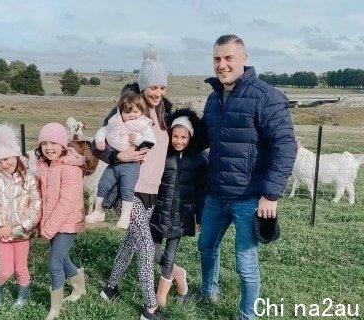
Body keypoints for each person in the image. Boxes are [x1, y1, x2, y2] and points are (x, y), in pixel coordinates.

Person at [197, 34, 297, 320]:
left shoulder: (267, 97)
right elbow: (201, 137)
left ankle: (247, 315)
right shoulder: (214, 98)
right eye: (217, 59)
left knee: (245, 262)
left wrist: (271, 195)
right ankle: (208, 291)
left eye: (229, 58)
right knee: (206, 246)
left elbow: (285, 146)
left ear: (244, 59)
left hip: (249, 197)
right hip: (216, 194)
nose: (222, 65)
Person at [94, 49, 171, 320]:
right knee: (147, 246)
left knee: (132, 242)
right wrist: (118, 155)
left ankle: (111, 288)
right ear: (142, 85)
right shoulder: (127, 108)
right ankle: (150, 308)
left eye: (162, 86)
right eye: (152, 86)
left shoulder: (164, 113)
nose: (157, 92)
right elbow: (98, 145)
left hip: (152, 190)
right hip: (129, 190)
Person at [150, 107, 208, 307]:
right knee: (154, 253)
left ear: (191, 137)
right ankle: (179, 273)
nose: (179, 141)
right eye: (175, 136)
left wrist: (199, 217)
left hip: (181, 215)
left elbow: (202, 192)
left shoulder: (200, 161)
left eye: (184, 137)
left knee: (169, 256)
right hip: (158, 212)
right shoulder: (163, 156)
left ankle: (161, 297)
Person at [0, 123, 42, 310]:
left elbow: (36, 203)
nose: (3, 165)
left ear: (15, 155)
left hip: (22, 232)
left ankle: (23, 296)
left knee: (21, 269)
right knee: (6, 270)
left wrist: (23, 226)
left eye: (6, 159)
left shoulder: (29, 177)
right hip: (3, 232)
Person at [36, 122, 87, 320]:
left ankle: (55, 309)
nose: (49, 148)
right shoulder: (44, 166)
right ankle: (79, 287)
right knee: (63, 258)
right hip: (52, 221)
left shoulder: (70, 168)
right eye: (44, 143)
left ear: (63, 145)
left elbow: (66, 203)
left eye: (54, 143)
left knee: (55, 263)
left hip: (67, 222)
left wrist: (48, 228)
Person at [86, 91, 156, 229]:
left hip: (131, 165)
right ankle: (98, 211)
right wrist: (100, 140)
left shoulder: (143, 125)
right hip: (114, 163)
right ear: (120, 112)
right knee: (103, 184)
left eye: (136, 112)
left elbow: (151, 142)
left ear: (141, 111)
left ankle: (125, 217)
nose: (132, 115)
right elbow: (102, 131)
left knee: (126, 189)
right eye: (128, 112)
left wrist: (137, 140)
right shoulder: (114, 122)